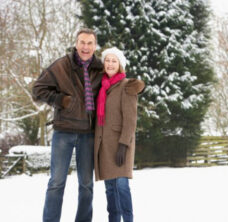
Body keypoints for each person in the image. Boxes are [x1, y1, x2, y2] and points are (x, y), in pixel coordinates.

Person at [32, 28, 102, 222]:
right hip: (63, 131)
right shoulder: (62, 65)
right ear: (76, 43)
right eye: (82, 42)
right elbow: (38, 89)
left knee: (87, 184)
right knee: (56, 182)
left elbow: (116, 83)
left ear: (95, 46)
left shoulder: (100, 68)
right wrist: (59, 99)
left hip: (88, 133)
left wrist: (135, 87)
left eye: (89, 43)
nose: (85, 47)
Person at [94, 47, 145, 222]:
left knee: (121, 185)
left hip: (121, 144)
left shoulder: (126, 86)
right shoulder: (100, 87)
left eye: (114, 61)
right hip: (104, 145)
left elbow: (130, 120)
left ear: (120, 65)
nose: (110, 64)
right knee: (109, 188)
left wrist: (123, 145)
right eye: (107, 60)